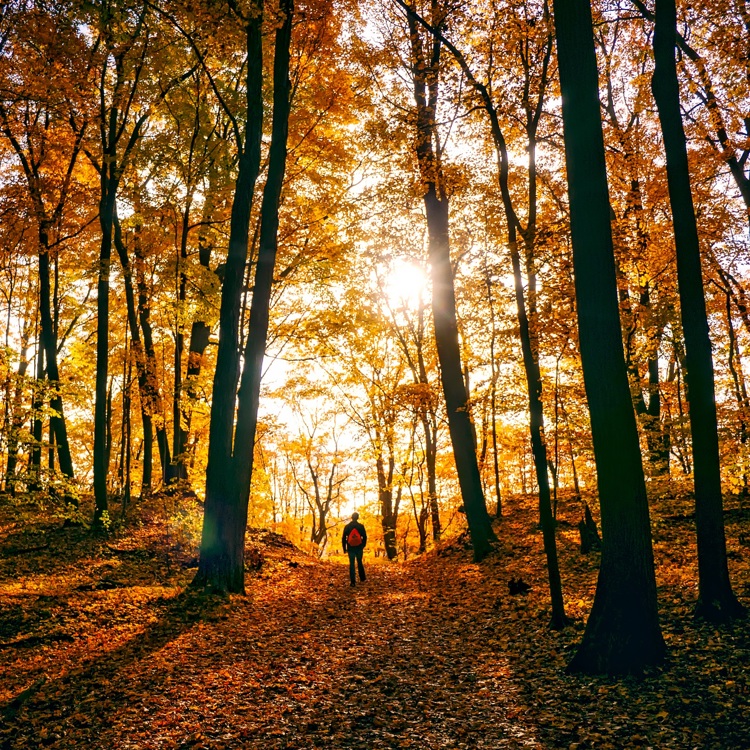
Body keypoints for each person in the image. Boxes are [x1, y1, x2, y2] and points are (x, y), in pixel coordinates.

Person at [342, 512, 367, 586]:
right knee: (359, 562)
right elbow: (365, 537)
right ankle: (362, 578)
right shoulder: (361, 526)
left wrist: (344, 548)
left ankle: (353, 582)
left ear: (351, 517)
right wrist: (363, 545)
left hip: (350, 548)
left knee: (352, 564)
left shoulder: (347, 526)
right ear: (358, 518)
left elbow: (343, 538)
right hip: (359, 547)